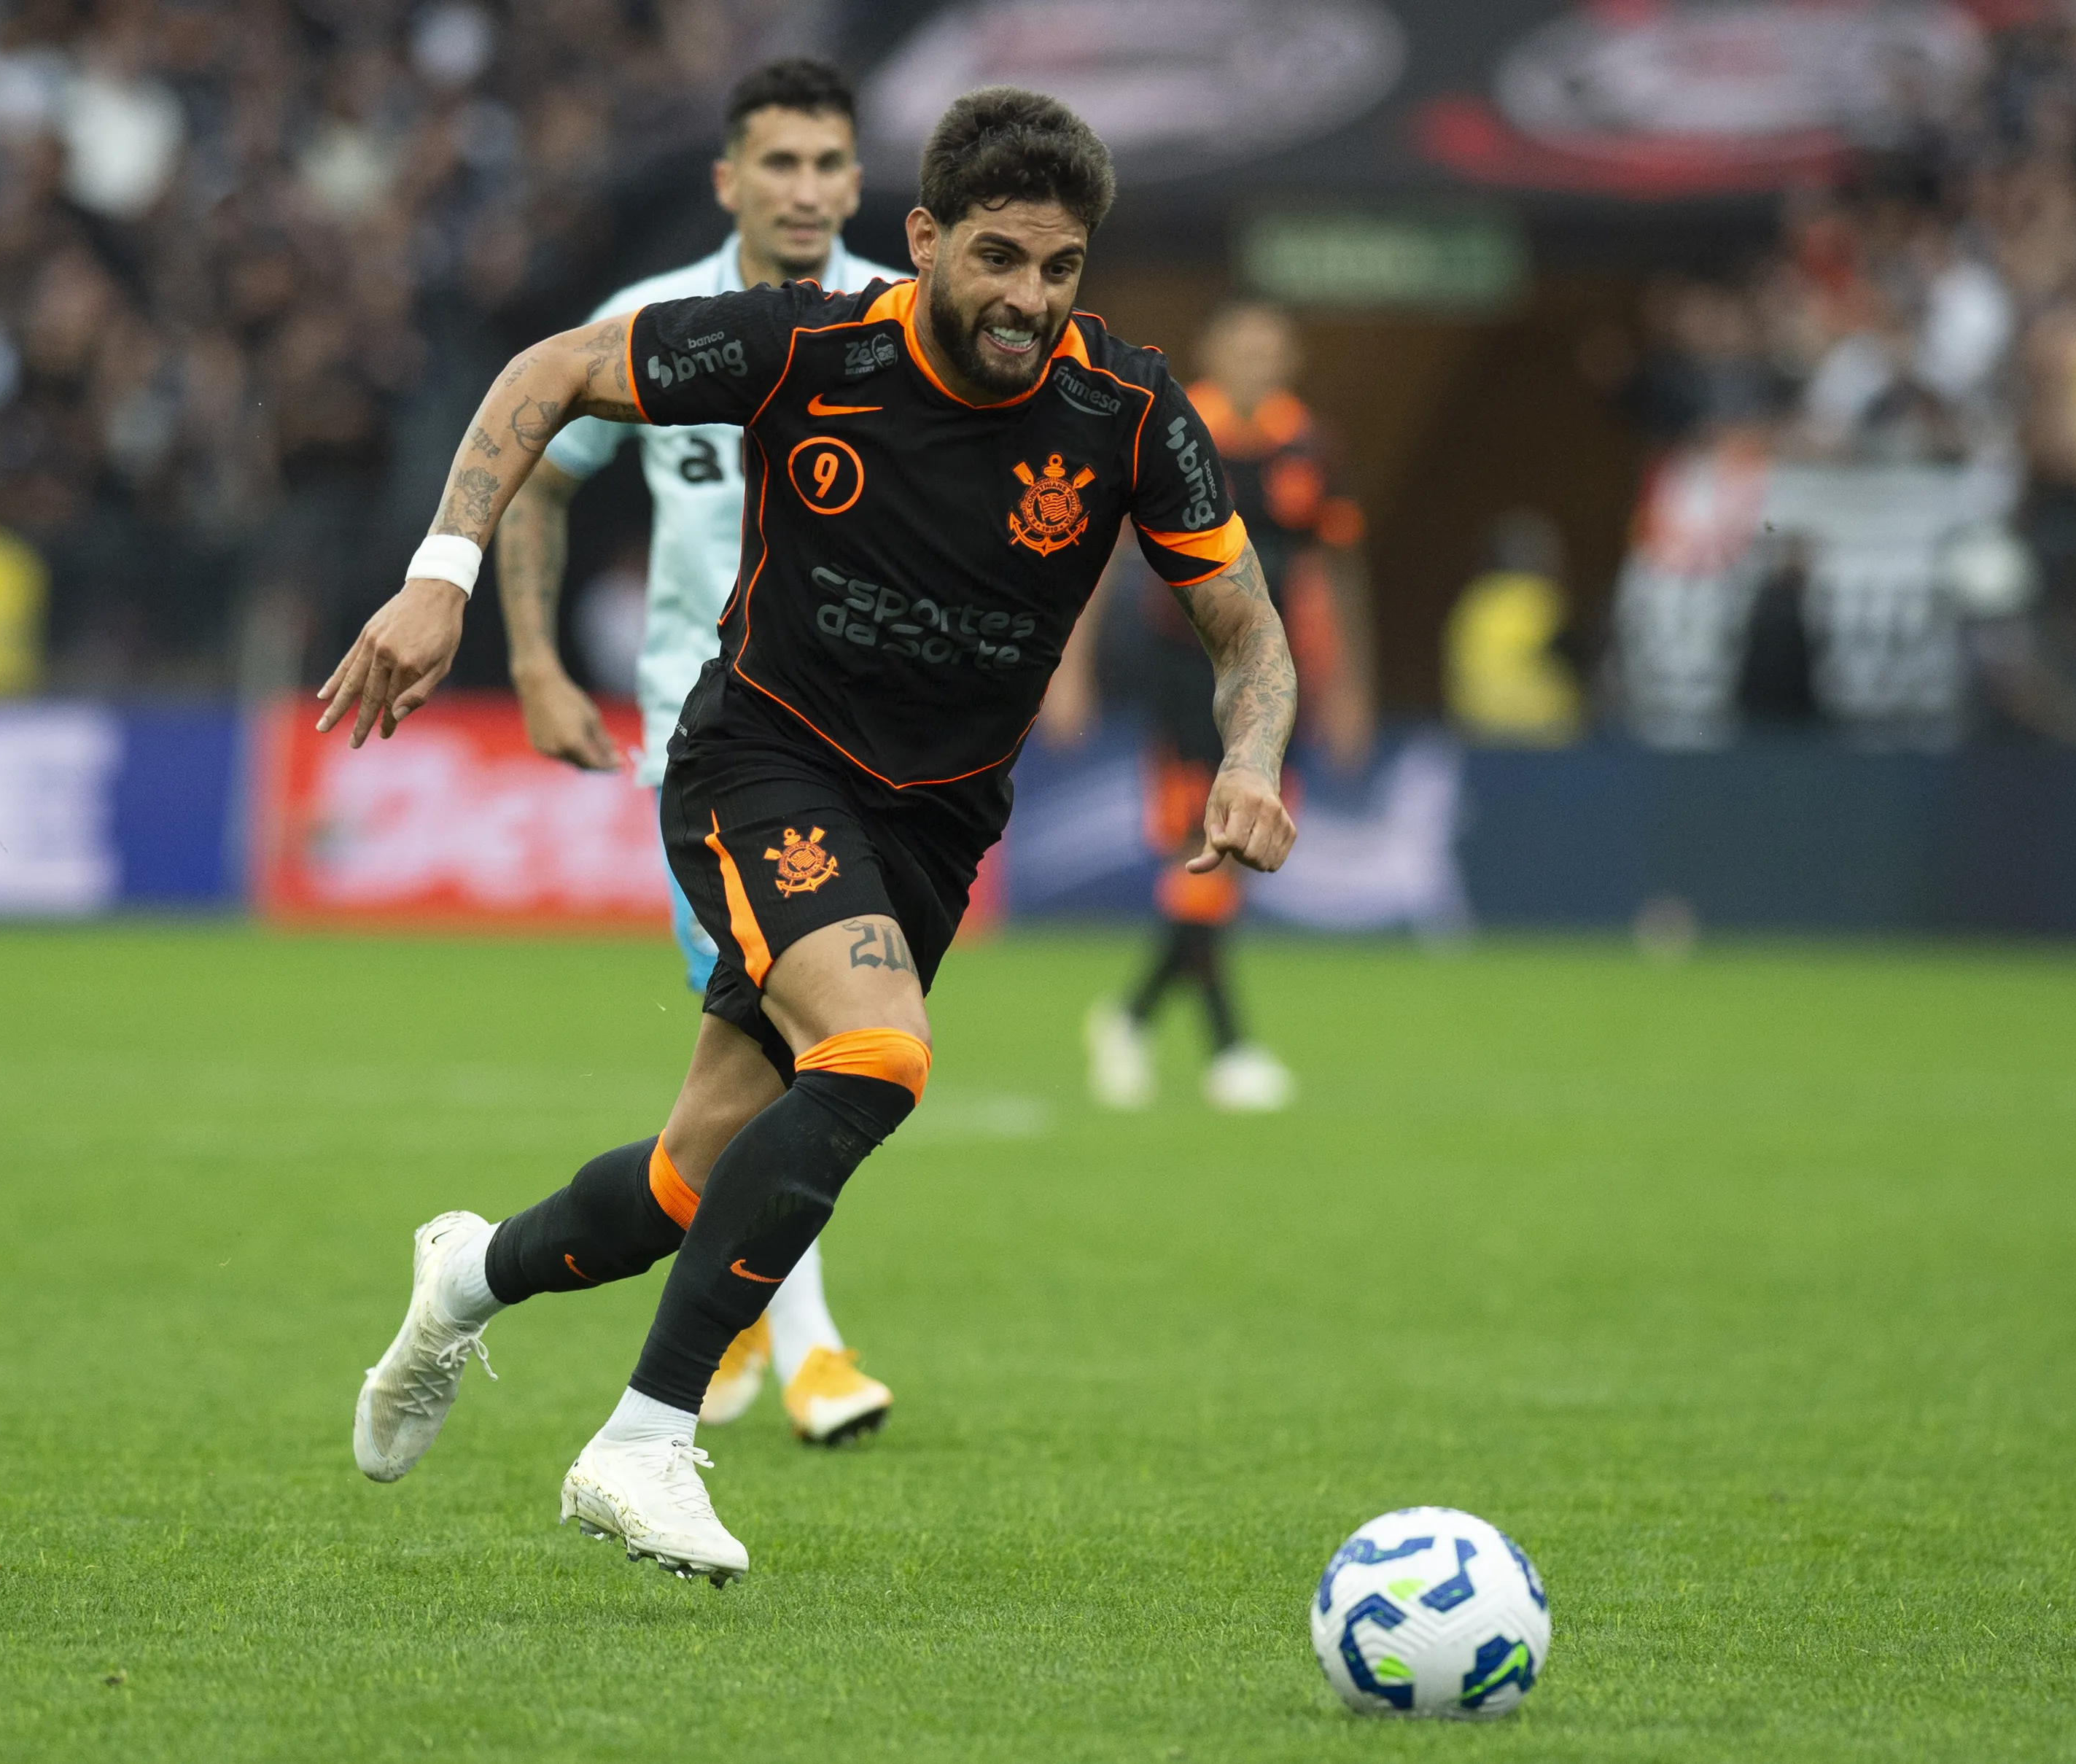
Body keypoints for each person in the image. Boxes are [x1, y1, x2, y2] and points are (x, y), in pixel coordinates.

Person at [322, 88, 1298, 1585]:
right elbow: (554, 369)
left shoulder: (1128, 406)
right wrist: (441, 574)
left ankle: (463, 1275)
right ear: (919, 241)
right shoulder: (808, 344)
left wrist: (1252, 750)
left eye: (1058, 268)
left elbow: (1243, 627)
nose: (1028, 300)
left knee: (680, 1180)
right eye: (995, 259)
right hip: (760, 760)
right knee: (878, 1056)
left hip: (936, 825)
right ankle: (643, 1439)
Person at [494, 58, 901, 1448]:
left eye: (828, 165)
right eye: (777, 163)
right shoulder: (651, 323)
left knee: (783, 1056)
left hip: (873, 746)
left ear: (858, 183)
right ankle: (810, 1349)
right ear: (728, 179)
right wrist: (537, 659)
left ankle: (717, 1330)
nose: (804, 189)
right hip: (712, 735)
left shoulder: (896, 324)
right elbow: (542, 474)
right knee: (808, 1037)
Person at [1044, 300, 1369, 1112]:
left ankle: (1132, 1018)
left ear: (1288, 358)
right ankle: (1226, 1049)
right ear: (1214, 350)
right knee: (1204, 843)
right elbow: (1101, 552)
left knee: (1236, 850)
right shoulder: (1171, 429)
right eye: (1242, 344)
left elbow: (1338, 571)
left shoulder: (1311, 449)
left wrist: (1351, 687)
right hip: (1182, 667)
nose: (1256, 359)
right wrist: (1068, 670)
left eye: (1271, 346)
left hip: (1273, 678)